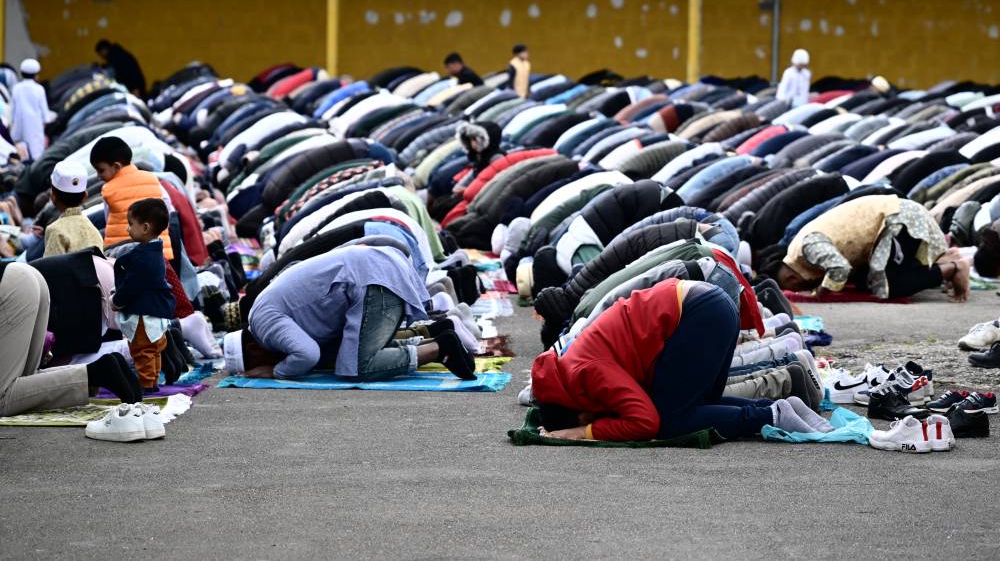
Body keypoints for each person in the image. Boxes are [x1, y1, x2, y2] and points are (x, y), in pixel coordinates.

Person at [531, 278, 830, 442]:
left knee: (670, 422)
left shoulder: (585, 373)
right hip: (707, 304)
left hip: (698, 312)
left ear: (577, 410)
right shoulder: (571, 367)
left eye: (589, 419)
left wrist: (584, 433)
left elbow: (645, 423)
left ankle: (770, 416)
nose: (597, 419)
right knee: (695, 408)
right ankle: (782, 408)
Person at [235, 245, 476, 381]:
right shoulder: (264, 306)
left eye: (254, 363)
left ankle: (440, 349)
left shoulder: (263, 323)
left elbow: (307, 355)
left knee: (359, 366)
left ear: (251, 349)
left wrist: (275, 371)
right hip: (378, 270)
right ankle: (431, 334)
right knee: (345, 353)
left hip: (373, 280)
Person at [0, 261, 142, 418]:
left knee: (3, 397)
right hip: (27, 275)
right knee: (25, 382)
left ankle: (95, 374)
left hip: (15, 285)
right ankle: (103, 368)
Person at [770, 194, 969, 301]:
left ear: (791, 278)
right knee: (867, 283)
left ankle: (952, 267)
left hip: (898, 218)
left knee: (891, 287)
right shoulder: (799, 249)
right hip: (888, 223)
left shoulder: (807, 248)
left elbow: (840, 269)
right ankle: (945, 260)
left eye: (795, 289)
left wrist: (820, 292)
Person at [111, 198, 176, 392]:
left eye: (131, 225)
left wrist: (117, 300)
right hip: (155, 310)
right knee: (153, 348)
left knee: (143, 349)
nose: (128, 230)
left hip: (143, 313)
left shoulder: (142, 257)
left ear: (146, 227)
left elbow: (132, 286)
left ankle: (146, 383)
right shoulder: (155, 251)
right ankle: (153, 378)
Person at [91, 136, 173, 260]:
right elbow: (167, 205)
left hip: (123, 253)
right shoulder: (152, 178)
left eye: (101, 170)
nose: (98, 176)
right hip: (159, 251)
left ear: (116, 166)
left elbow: (108, 219)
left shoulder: (108, 189)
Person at [43, 160, 103, 257]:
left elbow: (50, 268)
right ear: (85, 196)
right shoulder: (92, 229)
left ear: (53, 197)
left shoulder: (55, 230)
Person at [9, 58, 48, 161]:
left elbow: (12, 112)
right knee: (36, 159)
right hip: (35, 130)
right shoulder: (39, 89)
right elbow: (45, 115)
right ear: (36, 75)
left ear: (21, 73)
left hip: (19, 130)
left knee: (21, 158)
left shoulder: (16, 88)